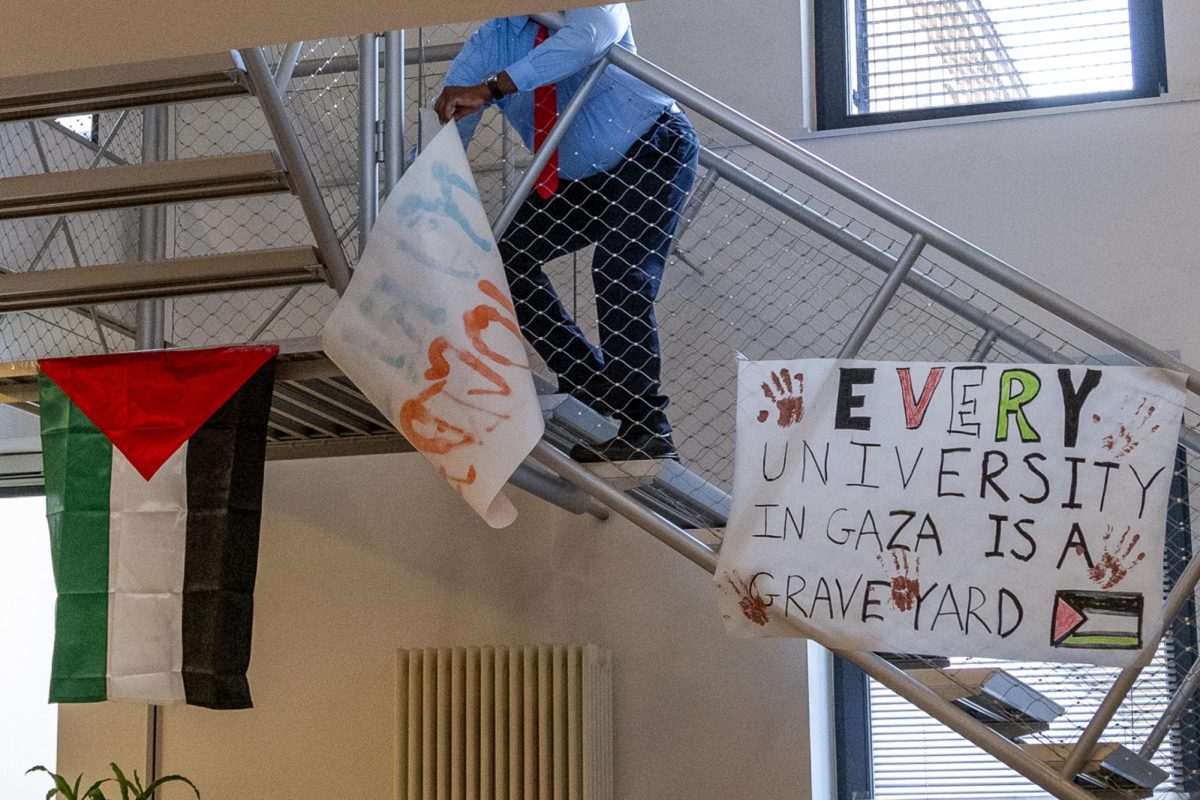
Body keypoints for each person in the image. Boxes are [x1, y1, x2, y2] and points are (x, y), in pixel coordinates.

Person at [434, 4, 699, 463]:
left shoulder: (595, 6)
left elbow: (587, 38)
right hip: (577, 181)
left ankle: (646, 427)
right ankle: (588, 381)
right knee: (502, 257)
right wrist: (418, 204)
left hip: (651, 150)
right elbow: (453, 116)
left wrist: (493, 87)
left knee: (619, 272)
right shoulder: (493, 38)